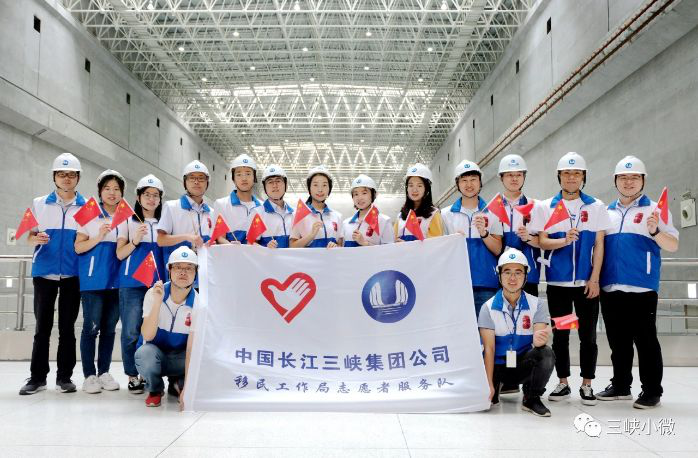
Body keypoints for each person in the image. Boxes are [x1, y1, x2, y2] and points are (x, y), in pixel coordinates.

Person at [529, 152, 612, 406]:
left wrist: (595, 278)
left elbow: (599, 244)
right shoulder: (546, 207)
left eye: (576, 173)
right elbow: (541, 241)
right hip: (558, 284)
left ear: (583, 177)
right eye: (566, 173)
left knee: (588, 335)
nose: (571, 177)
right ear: (559, 176)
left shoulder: (596, 206)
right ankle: (563, 382)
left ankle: (587, 384)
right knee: (562, 336)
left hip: (586, 285)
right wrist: (564, 240)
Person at [597, 156, 679, 409]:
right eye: (623, 177)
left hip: (642, 287)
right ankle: (621, 386)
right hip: (610, 287)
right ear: (615, 181)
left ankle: (652, 390)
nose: (628, 182)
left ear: (643, 180)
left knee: (646, 341)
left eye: (634, 177)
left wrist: (655, 231)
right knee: (617, 341)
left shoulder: (655, 210)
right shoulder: (606, 212)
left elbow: (673, 245)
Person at [19, 153, 86, 395]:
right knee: (42, 328)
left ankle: (64, 378)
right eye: (61, 174)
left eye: (71, 174)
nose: (66, 178)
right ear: (54, 177)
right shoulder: (38, 203)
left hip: (72, 274)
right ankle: (37, 378)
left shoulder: (87, 206)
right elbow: (27, 237)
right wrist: (35, 238)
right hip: (44, 273)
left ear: (78, 178)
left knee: (67, 328)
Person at [478, 248, 555, 417]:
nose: (512, 278)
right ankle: (495, 386)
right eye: (507, 272)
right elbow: (489, 349)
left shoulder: (537, 305)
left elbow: (539, 343)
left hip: (522, 365)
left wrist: (540, 340)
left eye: (518, 273)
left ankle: (531, 397)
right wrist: (488, 384)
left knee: (546, 353)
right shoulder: (487, 308)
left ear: (526, 276)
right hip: (498, 366)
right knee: (489, 403)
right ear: (499, 275)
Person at [74, 170, 126, 394]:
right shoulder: (89, 213)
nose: (112, 193)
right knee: (91, 328)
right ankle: (89, 375)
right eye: (107, 188)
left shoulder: (127, 216)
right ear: (100, 191)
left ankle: (104, 372)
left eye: (116, 189)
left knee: (109, 329)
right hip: (93, 281)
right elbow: (78, 247)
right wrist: (99, 236)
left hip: (117, 281)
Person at [116, 174, 166, 394]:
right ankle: (132, 375)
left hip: (158, 284)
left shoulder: (165, 222)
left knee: (155, 330)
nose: (151, 199)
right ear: (138, 197)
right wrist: (135, 240)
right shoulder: (128, 221)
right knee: (130, 331)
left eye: (156, 195)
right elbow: (119, 254)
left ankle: (149, 372)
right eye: (147, 194)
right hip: (132, 283)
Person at [135, 246, 199, 407]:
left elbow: (192, 349)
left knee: (200, 356)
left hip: (180, 358)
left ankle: (178, 382)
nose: (183, 272)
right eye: (177, 267)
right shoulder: (154, 293)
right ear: (169, 270)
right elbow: (147, 336)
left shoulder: (199, 303)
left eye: (189, 268)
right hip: (156, 355)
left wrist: (189, 389)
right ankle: (155, 389)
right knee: (144, 353)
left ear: (196, 273)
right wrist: (158, 302)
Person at [442, 160, 503, 317]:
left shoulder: (493, 212)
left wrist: (484, 234)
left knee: (486, 329)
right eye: (464, 180)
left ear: (480, 182)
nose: (469, 184)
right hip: (456, 284)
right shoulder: (446, 214)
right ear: (457, 184)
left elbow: (498, 250)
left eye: (473, 179)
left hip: (486, 284)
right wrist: (452, 241)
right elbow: (441, 252)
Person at [156, 160, 213, 280]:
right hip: (180, 275)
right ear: (184, 182)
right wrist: (187, 237)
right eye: (192, 178)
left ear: (207, 183)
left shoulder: (211, 212)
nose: (196, 182)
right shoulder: (172, 207)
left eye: (201, 178)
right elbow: (161, 240)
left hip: (206, 275)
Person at [497, 154, 542, 296]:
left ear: (524, 177)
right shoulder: (492, 209)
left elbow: (543, 242)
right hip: (501, 275)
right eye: (510, 175)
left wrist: (529, 237)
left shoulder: (536, 206)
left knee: (529, 310)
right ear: (501, 178)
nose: (514, 179)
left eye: (518, 174)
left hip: (528, 275)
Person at [213, 154, 262, 244]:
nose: (244, 178)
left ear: (254, 177)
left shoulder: (262, 207)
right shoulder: (222, 204)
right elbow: (220, 238)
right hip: (230, 252)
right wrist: (233, 248)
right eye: (239, 174)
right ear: (233, 178)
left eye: (248, 174)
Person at [290, 165, 343, 248]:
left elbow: (341, 244)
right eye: (315, 185)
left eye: (324, 185)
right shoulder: (299, 215)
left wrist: (336, 247)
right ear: (309, 188)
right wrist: (311, 235)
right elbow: (292, 246)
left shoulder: (337, 216)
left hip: (332, 257)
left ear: (329, 188)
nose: (320, 190)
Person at [340, 174, 394, 247]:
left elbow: (389, 250)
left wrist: (365, 243)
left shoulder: (384, 221)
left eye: (364, 193)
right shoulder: (346, 223)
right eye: (356, 194)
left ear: (373, 195)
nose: (360, 198)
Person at [394, 163, 444, 241]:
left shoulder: (433, 214)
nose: (414, 190)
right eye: (411, 185)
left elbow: (437, 243)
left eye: (419, 185)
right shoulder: (400, 216)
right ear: (407, 189)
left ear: (426, 189)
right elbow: (393, 240)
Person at [250, 165, 294, 248]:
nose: (275, 185)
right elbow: (250, 243)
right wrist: (265, 248)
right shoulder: (258, 213)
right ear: (264, 187)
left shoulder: (294, 213)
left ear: (286, 185)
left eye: (278, 181)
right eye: (270, 182)